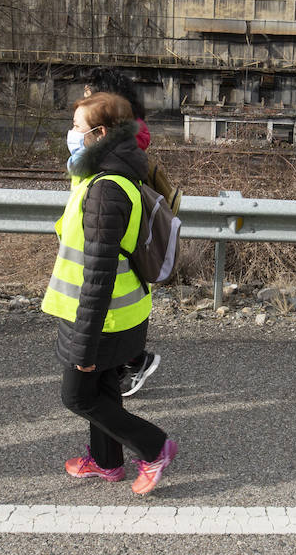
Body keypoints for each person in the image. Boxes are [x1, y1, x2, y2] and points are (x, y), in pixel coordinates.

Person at [43, 92, 177, 495]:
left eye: (77, 127)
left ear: (100, 134)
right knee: (102, 390)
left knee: (78, 397)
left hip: (101, 318)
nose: (70, 133)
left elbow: (98, 275)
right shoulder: (108, 172)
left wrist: (84, 346)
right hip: (118, 311)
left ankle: (154, 447)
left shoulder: (106, 190)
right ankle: (106, 462)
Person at [82, 67, 173, 397]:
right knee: (115, 293)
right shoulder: (124, 129)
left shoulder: (122, 136)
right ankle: (125, 363)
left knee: (114, 291)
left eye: (89, 95)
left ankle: (132, 360)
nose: (83, 101)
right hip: (117, 217)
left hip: (117, 218)